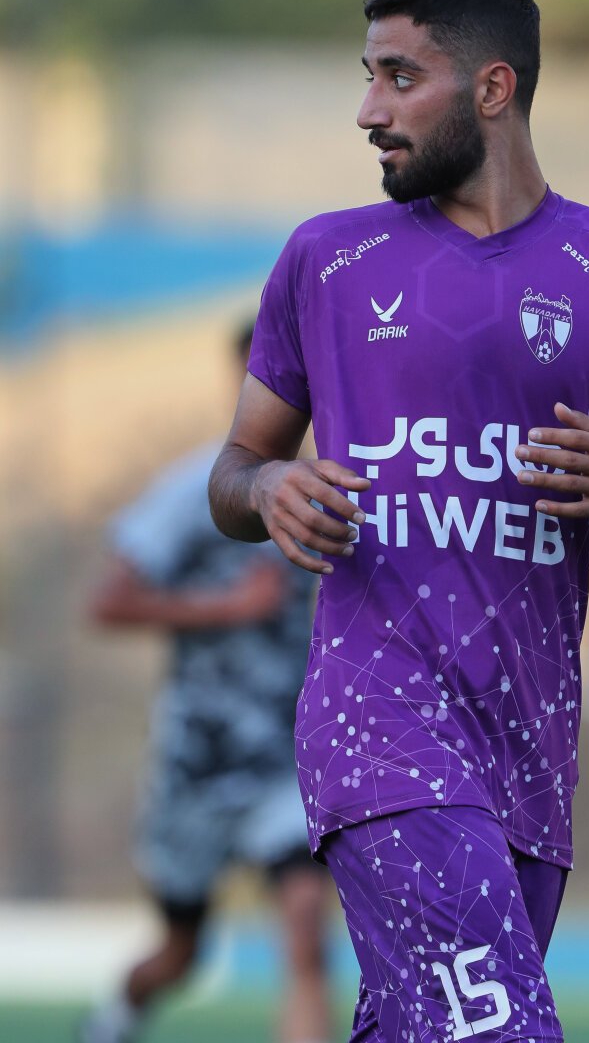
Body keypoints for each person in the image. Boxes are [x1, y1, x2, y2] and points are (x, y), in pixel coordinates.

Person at [208, 0, 589, 1043]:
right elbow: (233, 474)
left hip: (529, 749)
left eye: (399, 78)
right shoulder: (326, 260)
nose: (368, 110)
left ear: (493, 88)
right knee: (502, 1032)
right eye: (367, 77)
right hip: (377, 730)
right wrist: (270, 485)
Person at [79, 323, 332, 1043]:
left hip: (283, 755)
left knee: (305, 929)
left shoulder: (330, 489)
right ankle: (115, 1018)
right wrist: (226, 608)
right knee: (181, 954)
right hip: (198, 757)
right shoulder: (193, 491)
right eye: (268, 377)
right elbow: (108, 603)